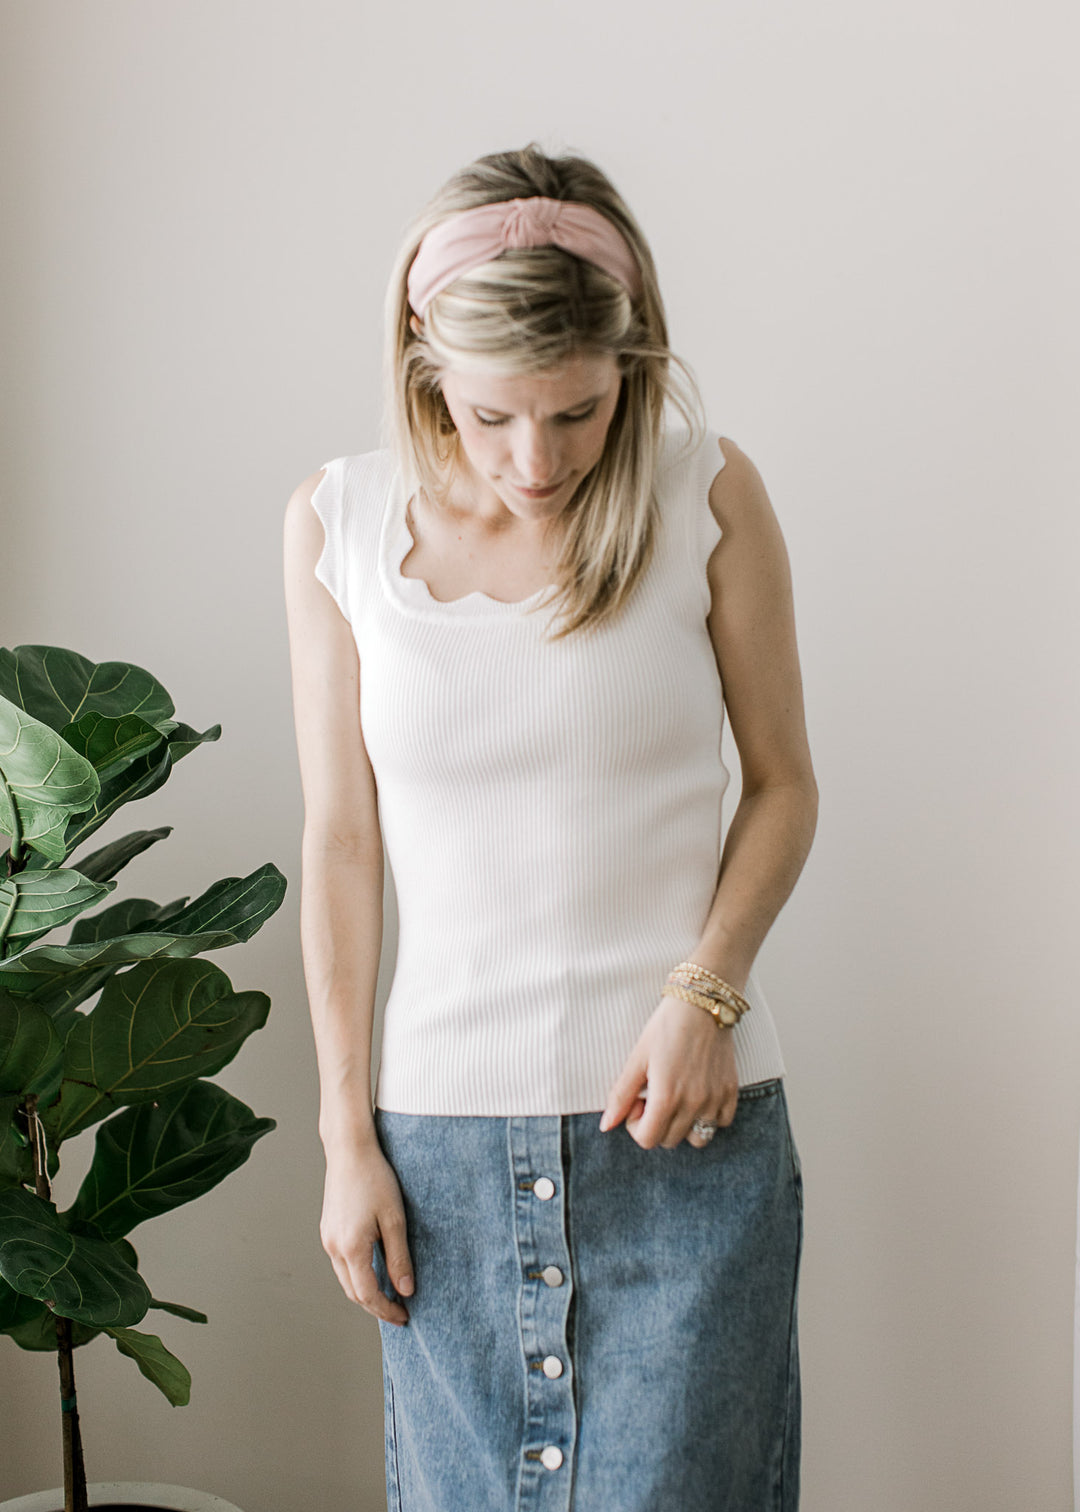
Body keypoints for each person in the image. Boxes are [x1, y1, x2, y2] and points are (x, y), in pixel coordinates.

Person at [283, 142, 818, 1511]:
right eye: (493, 416)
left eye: (579, 415)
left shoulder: (708, 496)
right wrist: (347, 1141)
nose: (537, 458)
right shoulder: (337, 526)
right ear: (425, 371)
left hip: (685, 1134)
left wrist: (705, 994)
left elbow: (782, 785)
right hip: (441, 1153)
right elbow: (343, 847)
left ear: (633, 369)